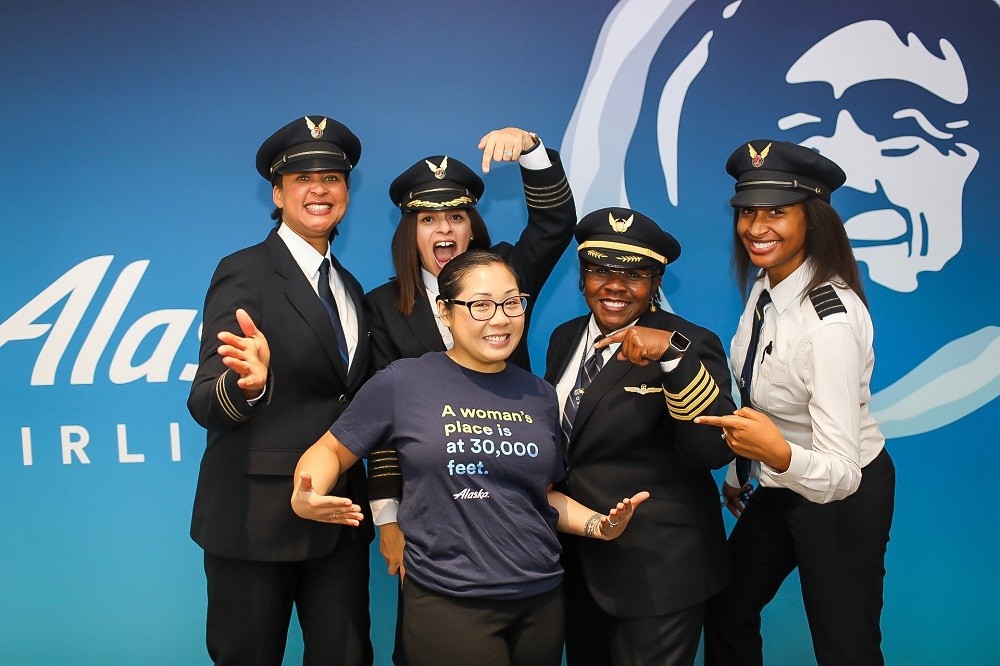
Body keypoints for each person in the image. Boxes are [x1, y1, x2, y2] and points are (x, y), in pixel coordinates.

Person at [291, 250, 648, 666]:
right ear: (445, 311)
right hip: (450, 603)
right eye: (480, 305)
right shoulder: (404, 382)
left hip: (542, 599)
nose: (500, 318)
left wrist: (598, 525)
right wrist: (306, 492)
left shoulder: (539, 394)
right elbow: (332, 448)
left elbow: (540, 496)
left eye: (512, 302)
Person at [363, 126, 576, 661]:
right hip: (439, 530)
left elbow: (554, 223)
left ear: (472, 225)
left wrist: (532, 149)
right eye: (429, 218)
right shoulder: (384, 308)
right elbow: (381, 426)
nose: (445, 229)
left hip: (517, 525)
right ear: (409, 231)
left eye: (456, 216)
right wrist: (388, 520)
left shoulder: (507, 271)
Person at [696, 140, 896, 664]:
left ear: (814, 219)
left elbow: (841, 472)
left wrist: (774, 454)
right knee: (727, 605)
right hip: (783, 482)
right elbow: (758, 392)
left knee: (844, 645)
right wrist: (745, 470)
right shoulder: (767, 285)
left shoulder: (828, 323)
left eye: (777, 213)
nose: (756, 227)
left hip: (842, 495)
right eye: (747, 212)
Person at [187, 115, 373, 665]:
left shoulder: (351, 286)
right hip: (255, 521)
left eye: (332, 177)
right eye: (302, 178)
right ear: (278, 192)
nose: (319, 189)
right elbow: (203, 400)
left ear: (346, 191)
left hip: (338, 516)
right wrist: (249, 384)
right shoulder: (244, 271)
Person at [545, 207, 735, 665]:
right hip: (575, 562)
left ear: (656, 283)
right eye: (600, 271)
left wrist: (673, 361)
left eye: (634, 274)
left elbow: (709, 451)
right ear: (582, 276)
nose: (615, 286)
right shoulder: (563, 336)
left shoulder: (688, 342)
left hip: (659, 569)